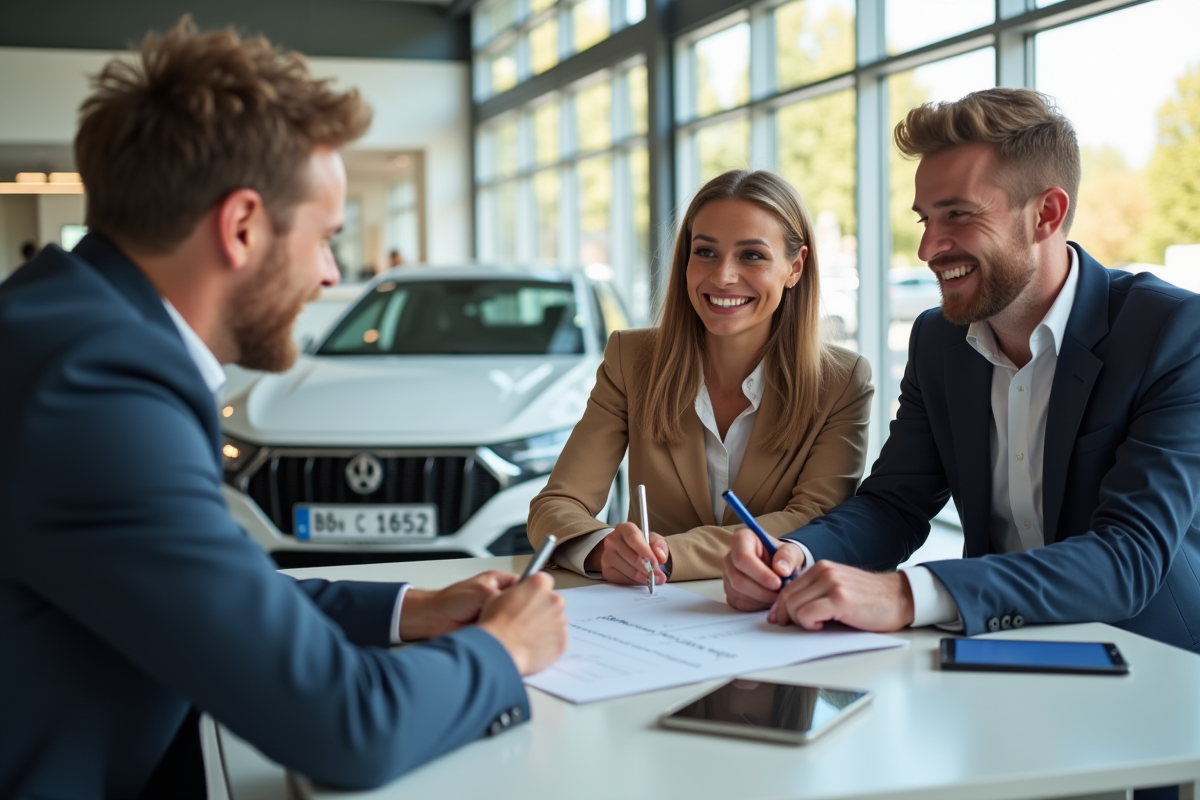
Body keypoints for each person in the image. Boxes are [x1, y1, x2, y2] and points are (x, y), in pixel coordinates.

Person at [0, 19, 567, 800]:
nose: (331, 274)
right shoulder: (99, 389)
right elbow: (347, 728)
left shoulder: (66, 323)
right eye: (325, 237)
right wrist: (504, 652)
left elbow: (205, 590)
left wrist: (414, 610)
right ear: (240, 227)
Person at [723, 89, 1200, 654]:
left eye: (958, 215)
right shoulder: (938, 341)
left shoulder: (1172, 333)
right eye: (925, 219)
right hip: (988, 657)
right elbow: (894, 504)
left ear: (1047, 213)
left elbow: (1129, 557)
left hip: (1148, 664)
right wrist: (795, 556)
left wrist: (908, 595)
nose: (927, 247)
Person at [529, 170, 873, 584]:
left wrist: (672, 554)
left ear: (795, 267)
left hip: (773, 614)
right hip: (645, 616)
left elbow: (815, 520)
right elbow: (557, 504)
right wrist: (601, 548)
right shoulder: (631, 359)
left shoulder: (840, 382)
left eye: (752, 255)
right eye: (706, 252)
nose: (723, 276)